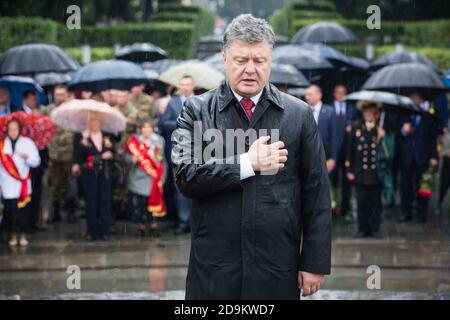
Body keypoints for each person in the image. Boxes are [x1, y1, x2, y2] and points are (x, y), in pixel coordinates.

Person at [172, 14, 331, 300]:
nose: (250, 70)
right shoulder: (196, 110)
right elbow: (185, 176)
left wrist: (314, 262)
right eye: (241, 60)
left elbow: (316, 192)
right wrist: (247, 163)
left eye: (259, 61)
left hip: (277, 266)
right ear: (224, 57)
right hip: (215, 267)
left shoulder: (298, 115)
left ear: (270, 59)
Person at [159, 75, 195, 235]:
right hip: (176, 151)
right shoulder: (172, 103)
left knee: (198, 186)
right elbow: (163, 123)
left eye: (188, 84)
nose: (185, 87)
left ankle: (196, 221)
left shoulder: (202, 101)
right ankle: (183, 221)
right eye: (182, 84)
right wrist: (181, 122)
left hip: (197, 150)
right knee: (179, 187)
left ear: (193, 85)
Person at [71, 112, 116, 241]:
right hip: (89, 174)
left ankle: (105, 230)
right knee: (91, 202)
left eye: (97, 120)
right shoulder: (81, 136)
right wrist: (84, 141)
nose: (94, 123)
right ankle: (92, 230)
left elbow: (113, 151)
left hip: (105, 172)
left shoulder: (107, 135)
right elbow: (78, 156)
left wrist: (110, 155)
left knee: (105, 201)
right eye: (91, 120)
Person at [346, 102, 385, 238]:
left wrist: (382, 138)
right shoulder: (357, 127)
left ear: (376, 113)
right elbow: (350, 149)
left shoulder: (380, 128)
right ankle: (362, 228)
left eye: (371, 112)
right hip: (360, 172)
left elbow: (388, 153)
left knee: (375, 202)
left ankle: (375, 228)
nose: (368, 115)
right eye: (366, 113)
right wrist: (349, 169)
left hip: (375, 173)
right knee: (362, 202)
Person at [398, 93, 439, 223]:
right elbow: (396, 135)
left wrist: (433, 156)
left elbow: (432, 138)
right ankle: (406, 211)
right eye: (412, 99)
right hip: (407, 156)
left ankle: (422, 212)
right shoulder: (404, 116)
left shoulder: (428, 116)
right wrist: (404, 131)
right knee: (405, 185)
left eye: (417, 99)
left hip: (422, 156)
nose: (415, 102)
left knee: (422, 185)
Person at [0, 119, 41, 247]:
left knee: (23, 210)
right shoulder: (2, 144)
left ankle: (23, 234)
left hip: (22, 183)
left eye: (15, 129)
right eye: (10, 129)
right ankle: (12, 234)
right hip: (7, 182)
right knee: (10, 210)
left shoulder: (27, 143)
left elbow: (36, 161)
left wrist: (27, 157)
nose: (12, 132)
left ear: (19, 130)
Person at [125, 117, 166, 238]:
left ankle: (154, 226)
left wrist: (162, 178)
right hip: (138, 177)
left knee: (153, 203)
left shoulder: (159, 140)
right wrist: (132, 159)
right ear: (140, 129)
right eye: (144, 128)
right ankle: (140, 227)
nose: (147, 130)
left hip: (153, 178)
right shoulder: (133, 141)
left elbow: (162, 160)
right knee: (138, 205)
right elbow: (125, 157)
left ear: (153, 128)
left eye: (149, 128)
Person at [43, 85, 77, 223]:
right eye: (57, 94)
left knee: (71, 185)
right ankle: (55, 213)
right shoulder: (48, 110)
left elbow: (75, 130)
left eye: (62, 94)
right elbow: (45, 129)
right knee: (55, 185)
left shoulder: (73, 111)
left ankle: (71, 212)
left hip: (70, 153)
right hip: (53, 155)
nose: (60, 97)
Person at [331, 84, 360, 218]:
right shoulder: (329, 109)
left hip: (348, 150)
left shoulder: (353, 110)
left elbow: (358, 125)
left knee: (347, 182)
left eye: (343, 92)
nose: (340, 95)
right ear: (334, 94)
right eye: (338, 92)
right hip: (333, 150)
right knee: (332, 180)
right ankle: (333, 206)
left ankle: (346, 207)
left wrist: (352, 128)